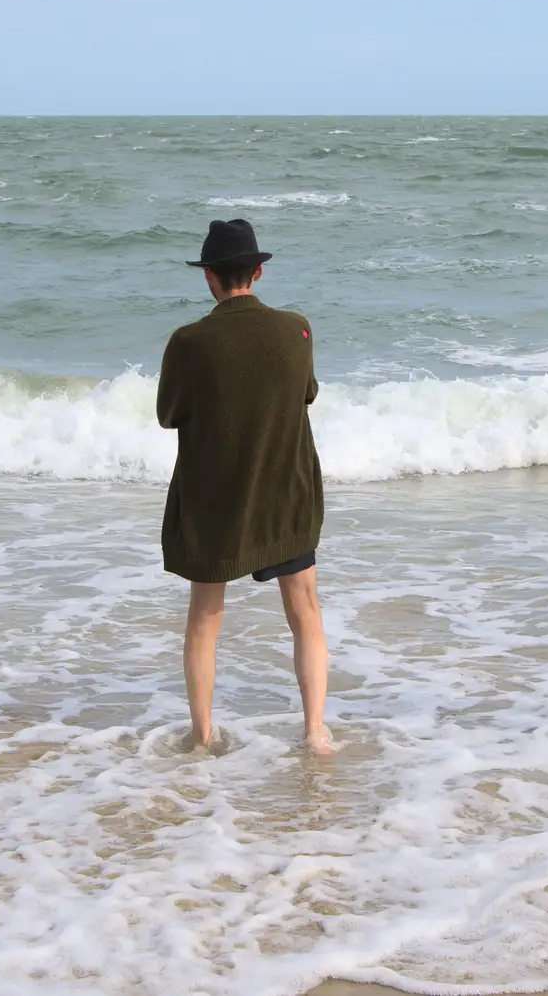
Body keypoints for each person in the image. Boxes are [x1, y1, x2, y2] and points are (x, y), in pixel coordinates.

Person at [157, 218, 333, 756]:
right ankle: (314, 732)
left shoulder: (188, 342)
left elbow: (168, 415)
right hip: (284, 492)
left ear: (208, 276)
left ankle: (202, 734)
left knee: (204, 616)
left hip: (215, 499)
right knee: (304, 609)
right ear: (258, 271)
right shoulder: (296, 329)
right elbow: (307, 392)